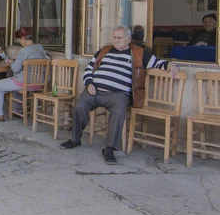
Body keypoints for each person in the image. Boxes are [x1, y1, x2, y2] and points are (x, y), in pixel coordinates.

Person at [60, 25, 176, 165]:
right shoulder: (104, 50)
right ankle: (75, 139)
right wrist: (89, 83)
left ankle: (109, 149)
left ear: (129, 39)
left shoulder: (138, 53)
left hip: (118, 94)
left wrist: (169, 65)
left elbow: (158, 62)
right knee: (79, 106)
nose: (116, 40)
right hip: (94, 90)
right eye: (114, 37)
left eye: (119, 38)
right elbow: (89, 68)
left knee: (119, 112)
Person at [0, 28, 47, 122]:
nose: (20, 43)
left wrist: (11, 62)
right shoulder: (40, 47)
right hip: (41, 82)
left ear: (23, 38)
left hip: (26, 82)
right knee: (15, 83)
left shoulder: (24, 51)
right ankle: (17, 110)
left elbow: (15, 69)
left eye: (19, 40)